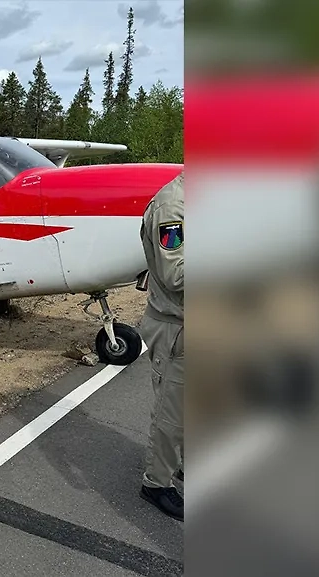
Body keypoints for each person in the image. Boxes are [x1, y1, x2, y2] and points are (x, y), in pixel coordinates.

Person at [137, 171, 185, 521]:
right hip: (177, 327)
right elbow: (175, 274)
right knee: (172, 414)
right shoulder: (173, 206)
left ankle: (179, 463)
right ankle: (157, 483)